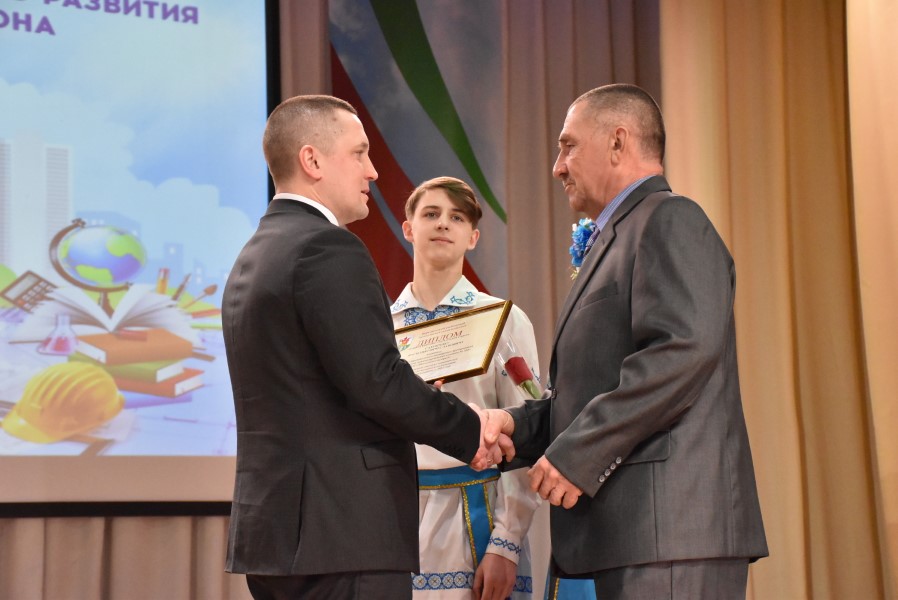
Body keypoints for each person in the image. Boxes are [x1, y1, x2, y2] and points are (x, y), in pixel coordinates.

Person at [487, 83, 768, 598]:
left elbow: (681, 352)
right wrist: (511, 425)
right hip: (631, 538)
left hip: (669, 533)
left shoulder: (670, 218)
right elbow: (590, 390)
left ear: (618, 142)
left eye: (568, 146)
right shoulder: (620, 235)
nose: (558, 167)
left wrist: (578, 454)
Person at [222, 95, 506, 600]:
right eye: (359, 153)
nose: (373, 171)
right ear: (312, 161)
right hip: (341, 534)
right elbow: (378, 383)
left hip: (277, 535)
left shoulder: (254, 254)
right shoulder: (326, 247)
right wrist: (471, 432)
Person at [390, 176, 542, 600]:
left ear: (473, 237)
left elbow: (528, 432)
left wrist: (506, 541)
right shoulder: (381, 327)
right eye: (431, 213)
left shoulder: (503, 320)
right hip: (396, 520)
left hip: (478, 519)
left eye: (457, 217)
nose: (443, 223)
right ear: (408, 228)